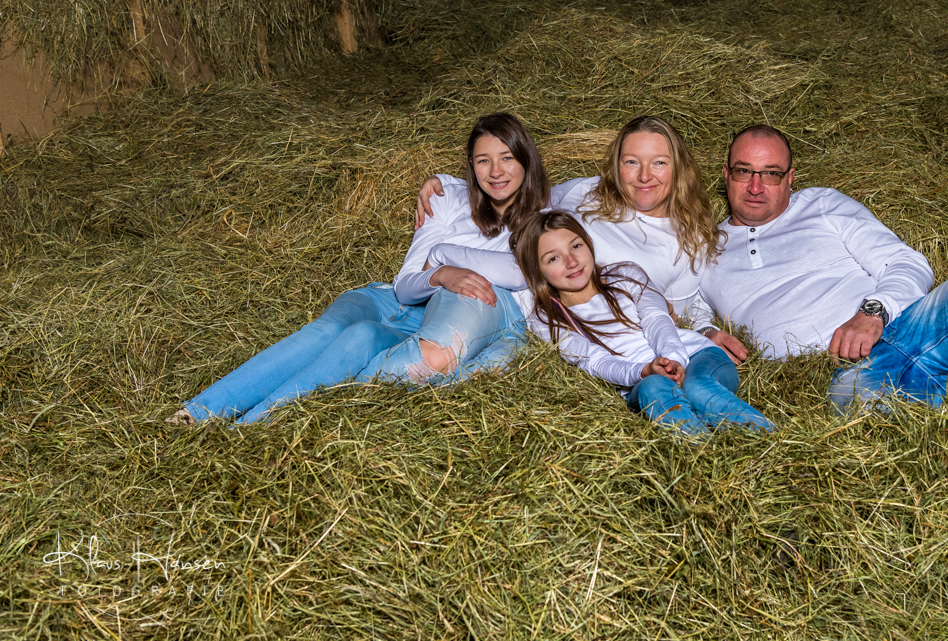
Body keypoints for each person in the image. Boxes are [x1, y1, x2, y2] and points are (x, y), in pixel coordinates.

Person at [698, 124, 948, 454]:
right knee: (884, 438)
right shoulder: (701, 249)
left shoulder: (822, 204)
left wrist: (872, 313)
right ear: (726, 174)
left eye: (771, 174)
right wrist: (706, 332)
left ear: (790, 178)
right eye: (744, 171)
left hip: (911, 325)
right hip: (839, 371)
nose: (756, 186)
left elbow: (906, 262)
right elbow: (681, 310)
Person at [168, 112, 549, 425]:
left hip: (436, 322)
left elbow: (520, 271)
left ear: (525, 159)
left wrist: (444, 254)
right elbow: (406, 285)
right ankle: (196, 413)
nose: (495, 171)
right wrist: (439, 273)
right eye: (483, 160)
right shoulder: (446, 199)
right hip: (389, 300)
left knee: (361, 338)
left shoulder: (545, 221)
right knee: (327, 329)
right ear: (471, 166)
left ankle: (251, 426)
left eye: (507, 158)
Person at [417, 114, 748, 360]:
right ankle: (438, 260)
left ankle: (441, 258)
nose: (644, 176)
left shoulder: (689, 239)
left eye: (659, 162)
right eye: (632, 162)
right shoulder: (587, 191)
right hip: (507, 289)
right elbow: (515, 186)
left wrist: (706, 331)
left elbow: (686, 302)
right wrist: (448, 185)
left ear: (678, 168)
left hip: (564, 326)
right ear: (617, 165)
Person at [505, 210, 772, 433]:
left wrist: (673, 359)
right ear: (536, 270)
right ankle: (706, 462)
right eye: (553, 258)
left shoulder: (626, 274)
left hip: (696, 355)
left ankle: (767, 443)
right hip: (641, 379)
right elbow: (594, 360)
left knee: (696, 386)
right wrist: (643, 371)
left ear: (588, 242)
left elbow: (657, 318)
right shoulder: (548, 319)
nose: (571, 261)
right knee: (654, 389)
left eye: (576, 246)